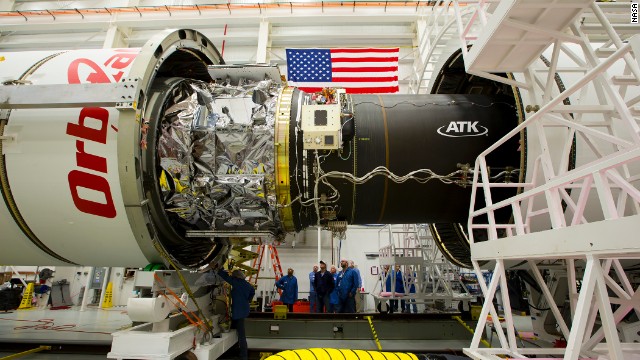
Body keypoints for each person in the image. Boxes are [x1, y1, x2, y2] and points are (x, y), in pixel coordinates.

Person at [218, 269, 255, 360]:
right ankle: (236, 351)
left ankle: (243, 356)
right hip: (243, 310)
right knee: (236, 330)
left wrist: (218, 269)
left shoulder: (237, 283)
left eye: (233, 277)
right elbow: (252, 292)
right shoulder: (248, 285)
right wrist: (248, 300)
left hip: (238, 312)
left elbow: (226, 277)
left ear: (236, 277)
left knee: (241, 335)